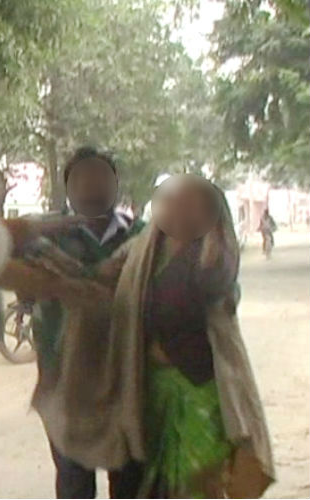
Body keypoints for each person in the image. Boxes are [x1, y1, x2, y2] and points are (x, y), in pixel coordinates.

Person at [92, 174, 274, 497]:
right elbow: (104, 281)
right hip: (150, 390)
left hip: (200, 391)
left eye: (194, 206)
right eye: (175, 202)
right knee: (149, 482)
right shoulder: (142, 251)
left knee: (199, 481)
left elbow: (218, 290)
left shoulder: (213, 257)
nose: (181, 212)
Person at [15, 146, 146, 498]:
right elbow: (24, 288)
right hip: (65, 378)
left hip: (127, 375)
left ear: (116, 184)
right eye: (83, 178)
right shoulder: (44, 238)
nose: (93, 185)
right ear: (68, 188)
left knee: (130, 477)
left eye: (101, 176)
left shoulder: (142, 236)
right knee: (73, 479)